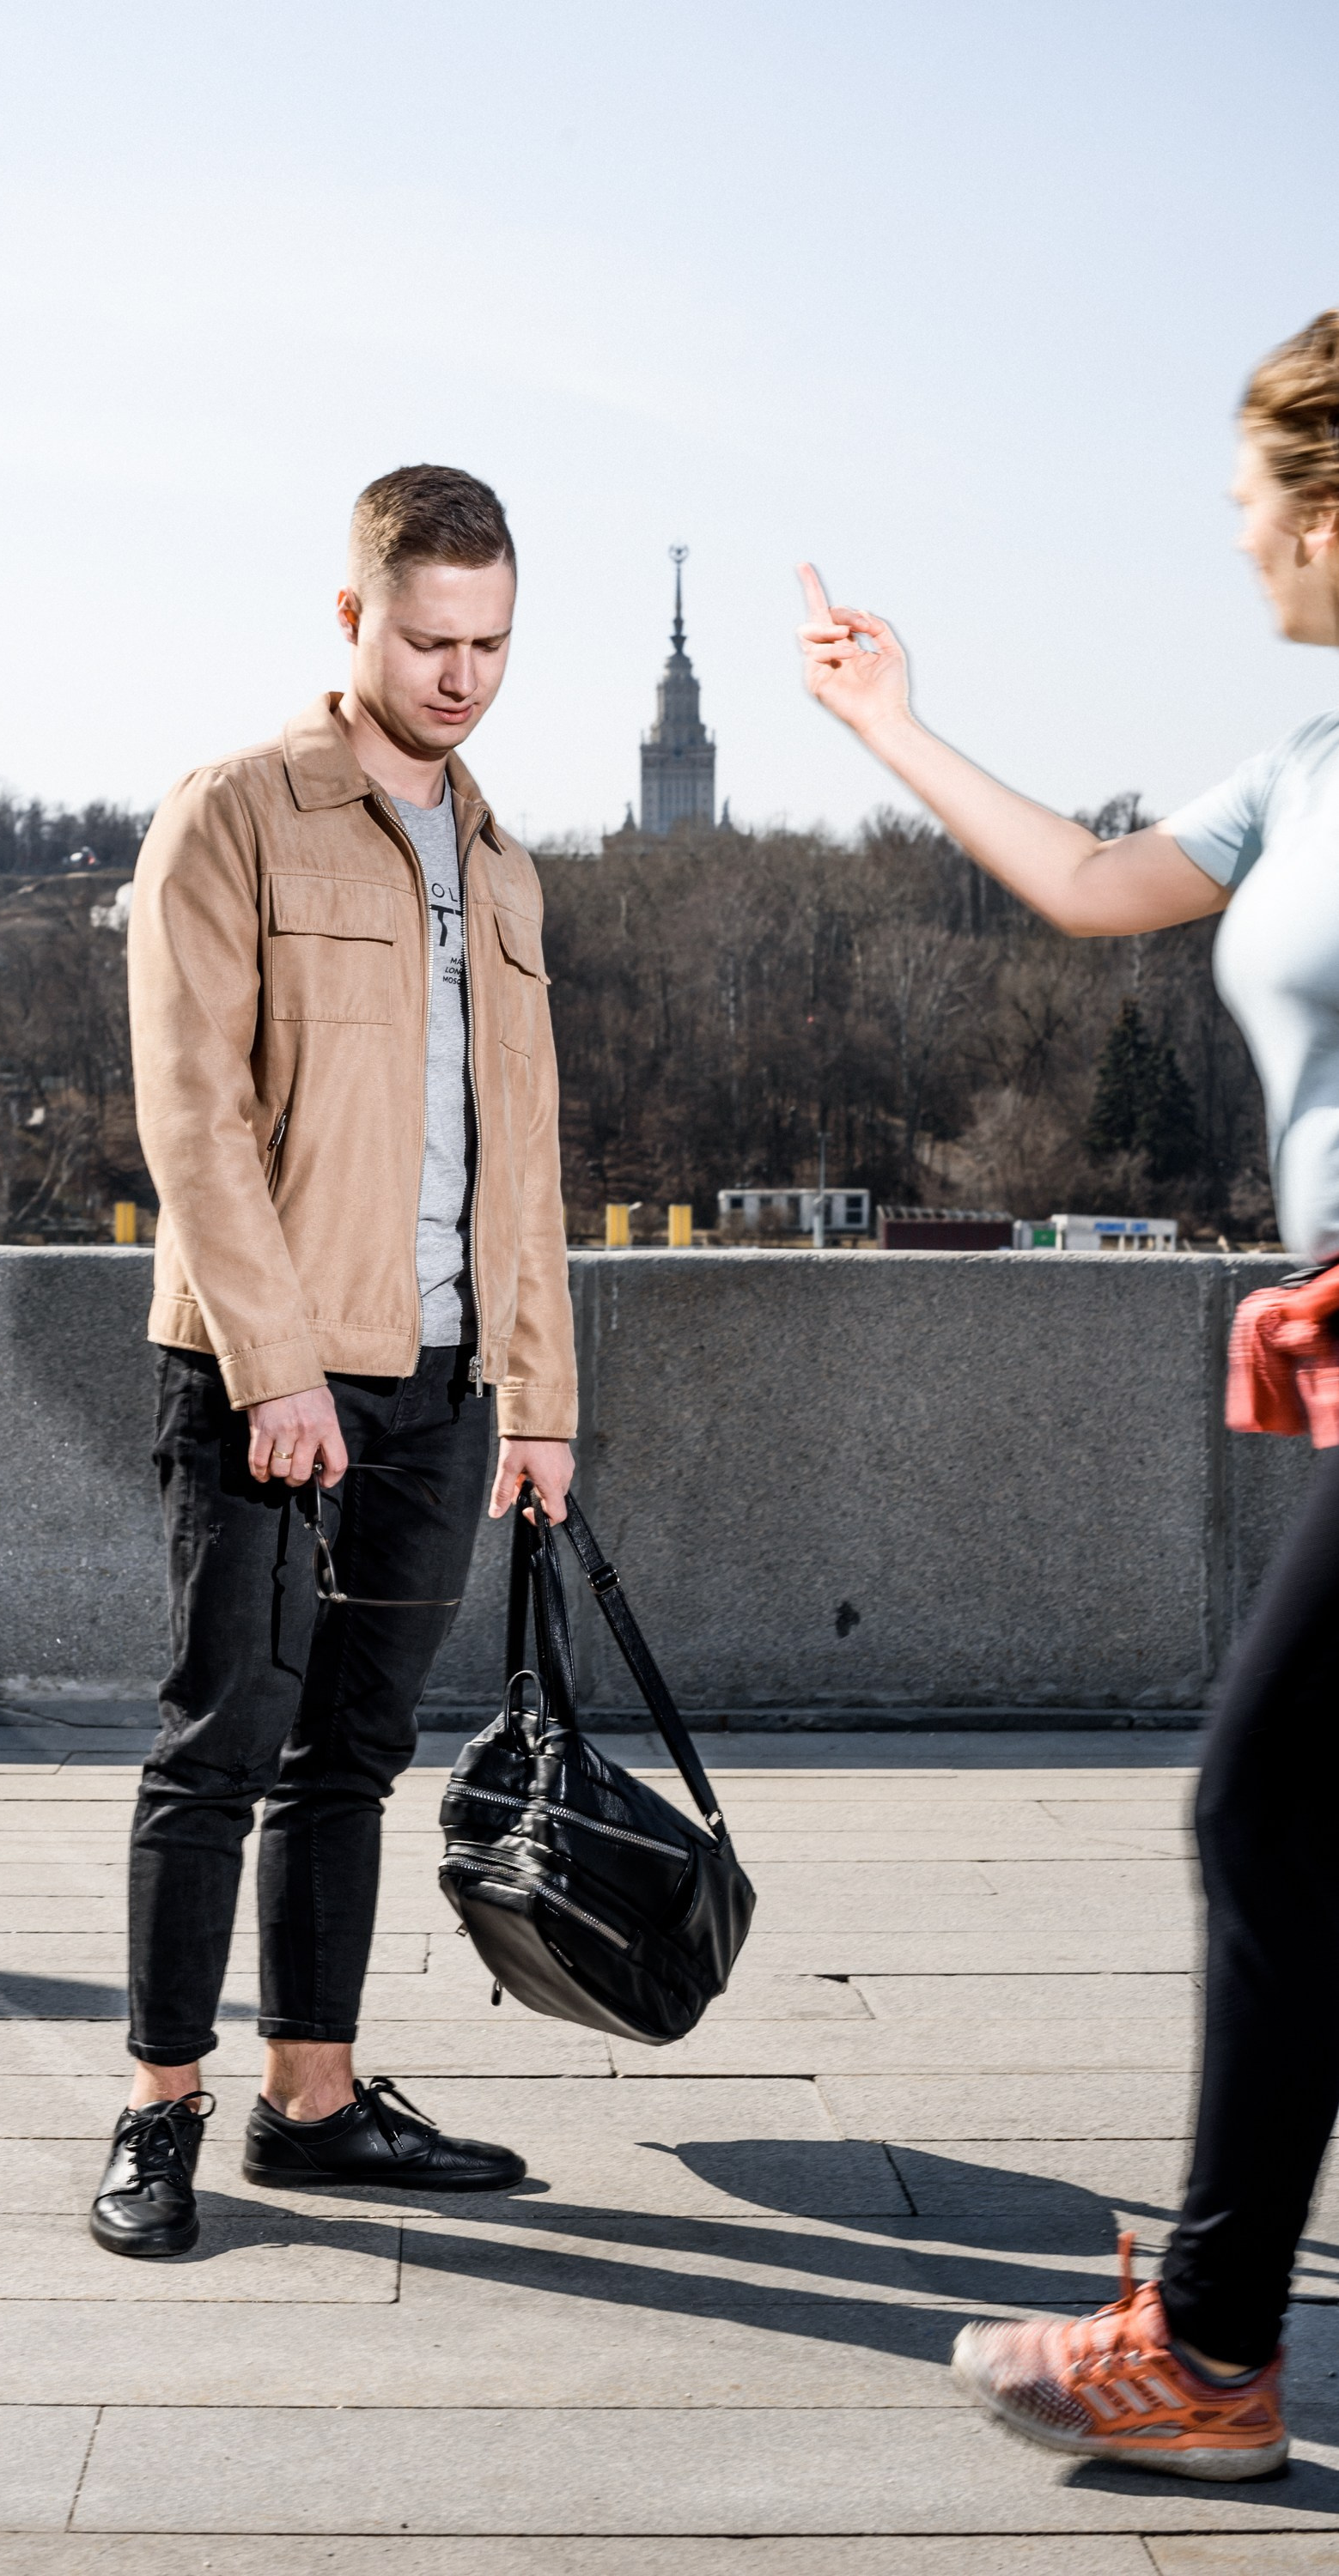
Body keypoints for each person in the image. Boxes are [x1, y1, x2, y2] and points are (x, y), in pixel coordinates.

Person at [797, 308, 1339, 2481]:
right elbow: (1100, 884)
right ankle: (1212, 2313)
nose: (1233, 546)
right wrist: (891, 725)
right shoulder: (1308, 763)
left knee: (1272, 1809)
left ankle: (1207, 2351)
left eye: (1243, 505)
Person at [91, 465, 578, 2257]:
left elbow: (524, 1159)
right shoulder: (231, 815)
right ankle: (159, 2113)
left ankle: (314, 2097)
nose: (464, 676)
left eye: (494, 642)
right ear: (353, 618)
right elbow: (195, 1121)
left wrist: (541, 1400)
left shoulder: (505, 858)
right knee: (218, 1742)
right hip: (263, 1378)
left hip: (447, 1386)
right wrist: (276, 1368)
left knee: (356, 1756)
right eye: (433, 638)